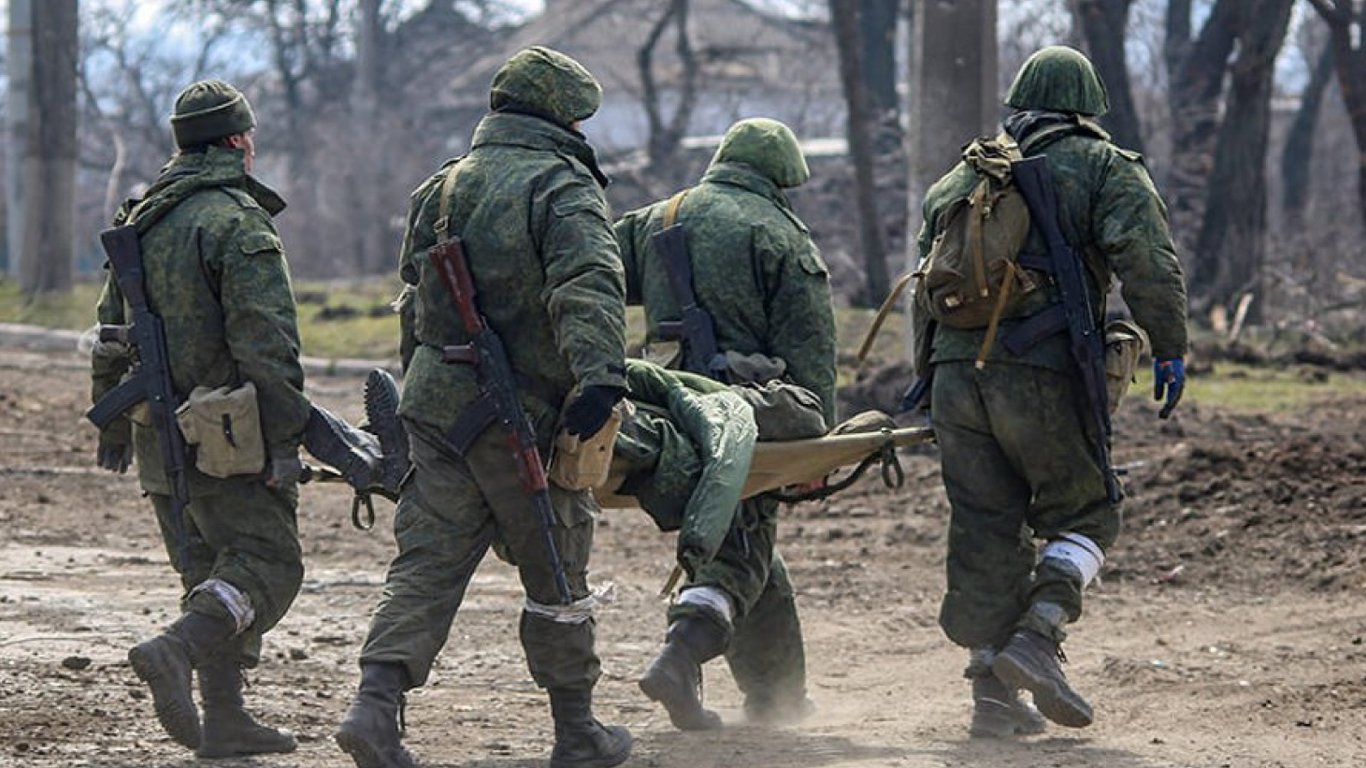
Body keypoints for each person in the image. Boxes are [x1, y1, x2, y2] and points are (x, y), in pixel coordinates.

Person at [334, 47, 632, 768]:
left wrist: (419, 387)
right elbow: (587, 281)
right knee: (556, 564)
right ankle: (577, 731)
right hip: (520, 414)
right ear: (563, 118)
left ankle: (374, 708)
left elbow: (415, 298)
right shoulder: (560, 185)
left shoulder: (440, 187)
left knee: (427, 563)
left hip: (436, 408)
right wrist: (601, 377)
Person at [912, 45, 1189, 736]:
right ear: (1087, 106)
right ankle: (1039, 636)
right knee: (1089, 512)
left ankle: (991, 694)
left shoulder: (961, 176)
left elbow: (924, 287)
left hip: (954, 379)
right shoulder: (1103, 166)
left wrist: (926, 381)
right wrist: (1171, 345)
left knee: (986, 526)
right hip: (1039, 373)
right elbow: (1148, 261)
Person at [90, 79, 309, 758]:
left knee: (208, 572)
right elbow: (268, 344)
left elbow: (109, 330)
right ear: (239, 141)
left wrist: (112, 423)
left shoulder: (141, 217)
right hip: (228, 437)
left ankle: (225, 717)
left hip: (155, 433)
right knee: (268, 564)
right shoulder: (236, 221)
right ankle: (176, 650)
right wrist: (285, 442)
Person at [614, 117, 837, 728]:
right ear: (780, 178)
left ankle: (776, 698)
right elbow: (812, 353)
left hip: (663, 411)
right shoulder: (781, 235)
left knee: (748, 543)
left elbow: (592, 279)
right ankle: (682, 652)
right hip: (743, 418)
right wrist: (819, 448)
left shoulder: (656, 219)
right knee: (743, 541)